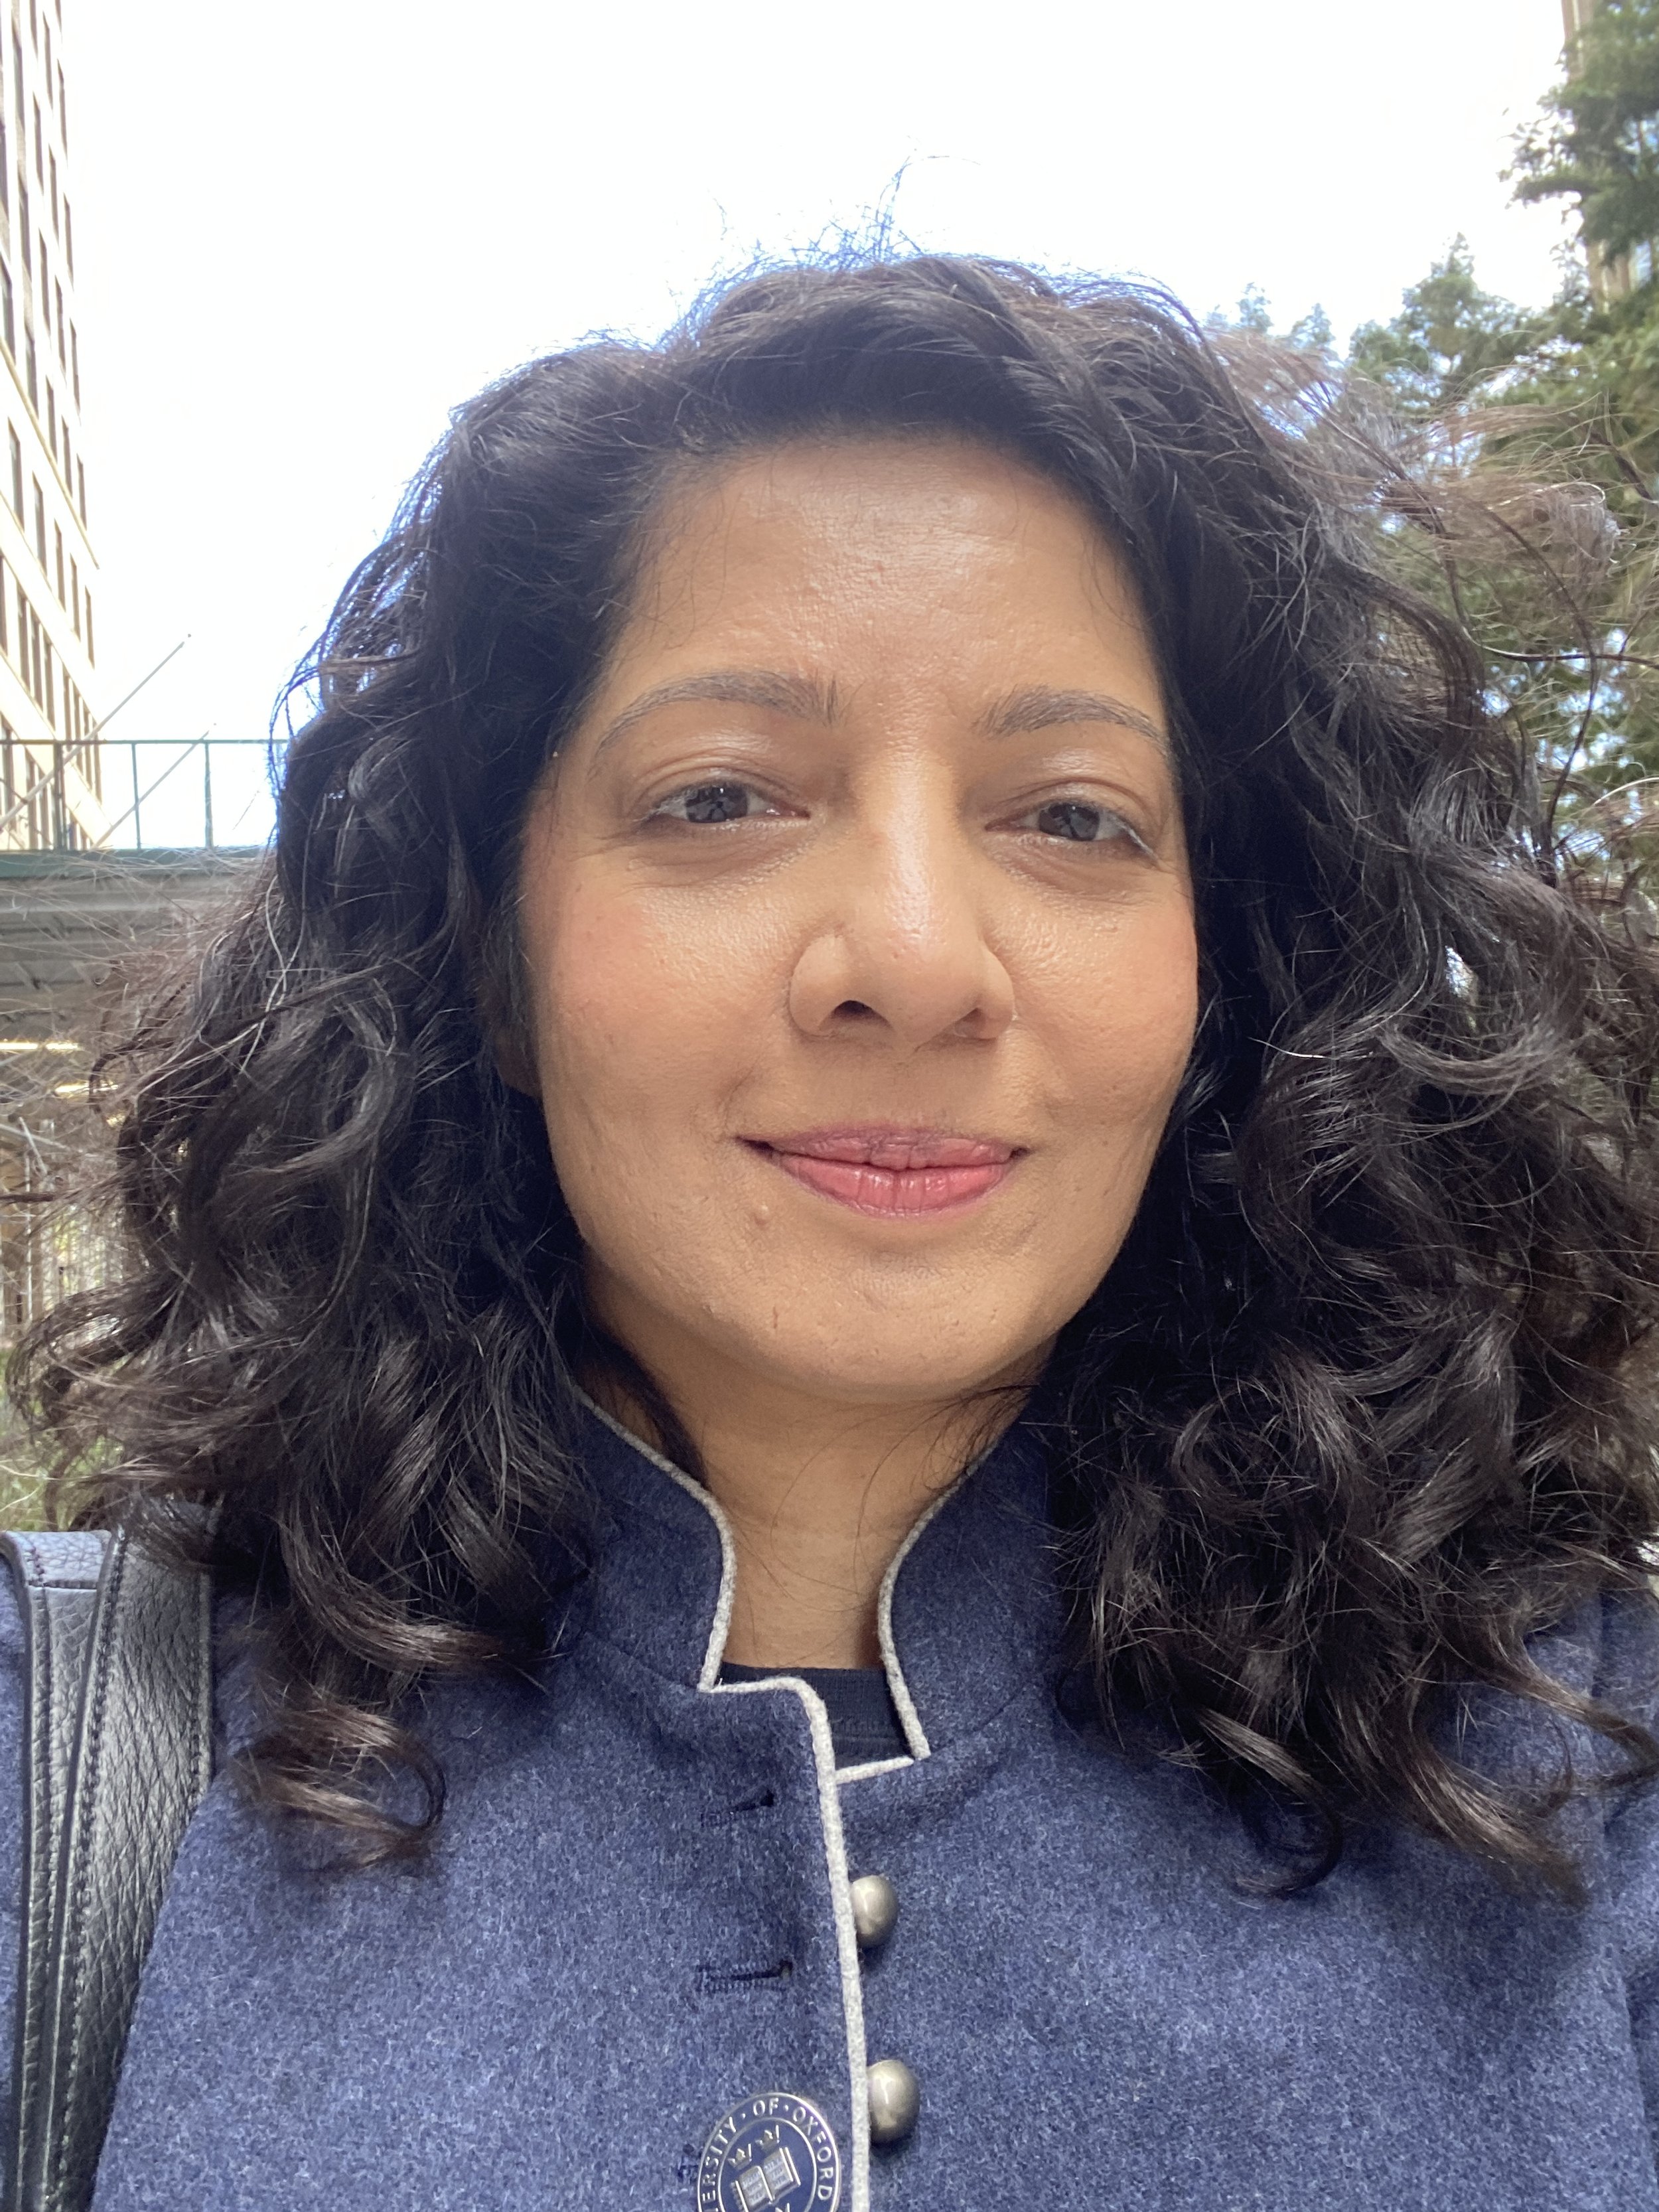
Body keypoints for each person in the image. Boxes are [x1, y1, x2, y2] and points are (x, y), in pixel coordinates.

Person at [9, 250, 1659, 2211]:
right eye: (719, 796)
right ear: (490, 958)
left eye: (1070, 818)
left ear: (1222, 982)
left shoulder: (1586, 1756)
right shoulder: (65, 1768)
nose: (908, 959)